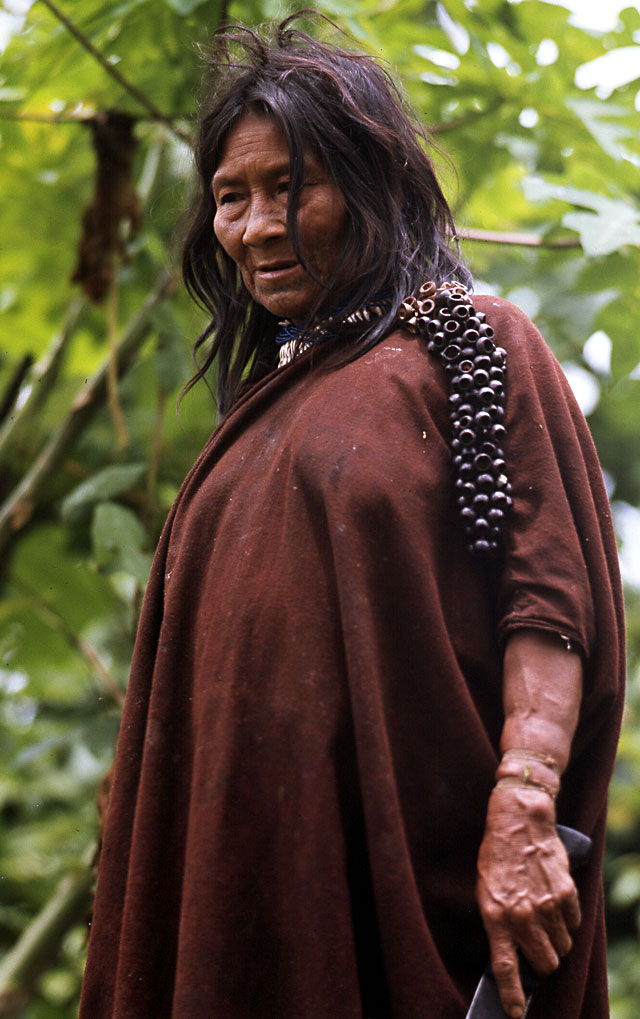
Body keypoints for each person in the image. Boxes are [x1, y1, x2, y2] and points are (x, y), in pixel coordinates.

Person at [79, 14, 624, 1019]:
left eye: (292, 186)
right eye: (231, 197)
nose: (255, 225)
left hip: (413, 881)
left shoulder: (473, 346)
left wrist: (525, 802)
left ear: (366, 186)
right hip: (248, 888)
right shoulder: (252, 422)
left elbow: (547, 601)